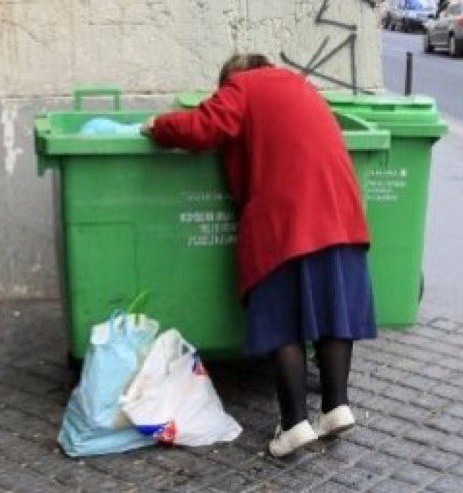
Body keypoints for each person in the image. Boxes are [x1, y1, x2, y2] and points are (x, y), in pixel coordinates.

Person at [142, 54, 377, 457]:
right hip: (339, 211)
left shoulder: (244, 86)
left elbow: (203, 126)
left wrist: (157, 126)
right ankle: (336, 406)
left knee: (281, 319)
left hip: (286, 218)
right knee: (333, 308)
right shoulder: (302, 87)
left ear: (233, 78)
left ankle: (294, 425)